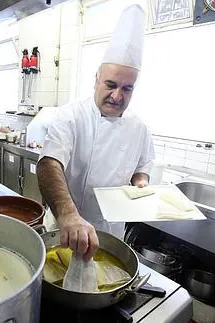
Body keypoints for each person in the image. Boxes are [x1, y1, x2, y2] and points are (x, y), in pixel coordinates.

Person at [36, 5, 154, 261]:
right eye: (111, 85)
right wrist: (68, 214)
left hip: (111, 234)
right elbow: (49, 164)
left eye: (127, 89)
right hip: (66, 231)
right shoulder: (70, 116)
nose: (117, 95)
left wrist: (141, 183)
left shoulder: (140, 127)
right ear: (97, 79)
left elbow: (141, 168)